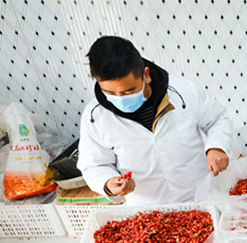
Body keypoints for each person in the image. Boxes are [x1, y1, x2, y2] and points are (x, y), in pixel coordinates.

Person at [77, 36, 233, 205]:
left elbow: (217, 119)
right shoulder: (95, 117)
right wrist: (109, 183)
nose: (120, 98)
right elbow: (94, 165)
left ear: (146, 75)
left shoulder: (183, 91)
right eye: (110, 93)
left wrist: (216, 147)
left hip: (200, 198)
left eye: (129, 91)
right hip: (147, 209)